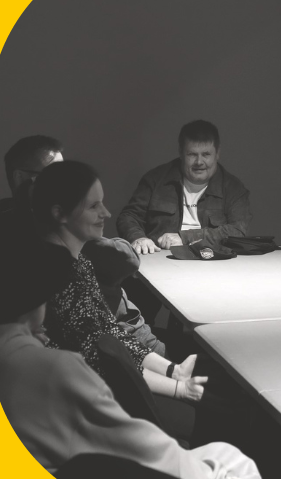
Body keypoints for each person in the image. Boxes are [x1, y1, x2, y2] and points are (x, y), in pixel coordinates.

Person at [0, 242, 273, 479]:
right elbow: (147, 451)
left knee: (224, 452)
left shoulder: (4, 355)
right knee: (242, 468)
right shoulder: (52, 369)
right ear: (39, 301)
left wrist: (173, 374)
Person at [31, 160, 205, 402]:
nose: (106, 213)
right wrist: (179, 389)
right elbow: (98, 362)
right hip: (79, 397)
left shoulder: (79, 263)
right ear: (59, 213)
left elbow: (108, 332)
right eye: (94, 206)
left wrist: (172, 371)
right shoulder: (59, 275)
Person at [0, 135, 167, 356]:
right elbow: (126, 261)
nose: (67, 181)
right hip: (118, 342)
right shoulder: (48, 234)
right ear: (21, 178)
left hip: (116, 338)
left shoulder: (1, 214)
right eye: (55, 174)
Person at [117, 119, 251, 254]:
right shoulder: (155, 179)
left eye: (206, 154)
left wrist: (185, 238)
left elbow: (238, 231)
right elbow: (128, 216)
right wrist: (138, 238)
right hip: (160, 258)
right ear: (181, 153)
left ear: (217, 153)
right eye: (192, 154)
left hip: (211, 260)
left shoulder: (233, 188)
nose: (199, 162)